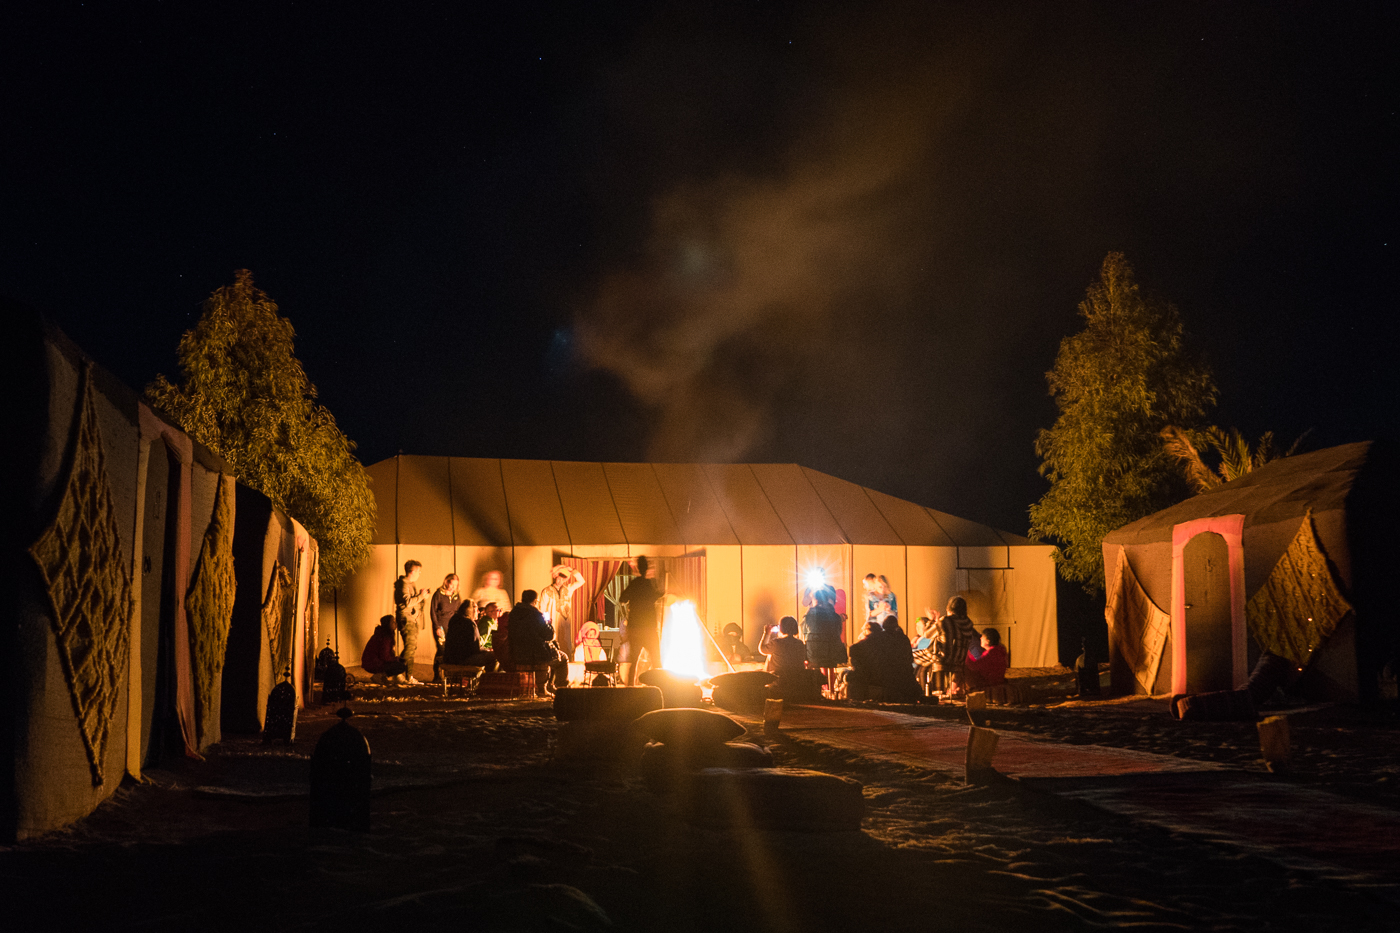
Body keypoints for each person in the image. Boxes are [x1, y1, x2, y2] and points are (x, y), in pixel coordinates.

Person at [508, 590, 569, 695]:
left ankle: (548, 686)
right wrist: (548, 623)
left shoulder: (513, 613)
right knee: (562, 658)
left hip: (516, 652)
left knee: (554, 651)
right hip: (535, 654)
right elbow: (549, 635)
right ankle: (559, 689)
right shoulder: (536, 615)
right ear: (535, 601)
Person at [620, 555, 662, 686]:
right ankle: (660, 686)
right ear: (647, 568)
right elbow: (656, 596)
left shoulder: (634, 584)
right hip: (649, 627)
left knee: (634, 660)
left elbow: (622, 599)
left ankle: (630, 687)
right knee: (656, 659)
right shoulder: (650, 584)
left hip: (636, 627)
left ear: (638, 568)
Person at [760, 616, 819, 701]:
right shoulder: (800, 643)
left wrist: (767, 633)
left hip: (778, 681)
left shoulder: (777, 642)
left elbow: (762, 649)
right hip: (796, 680)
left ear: (781, 628)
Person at [801, 585, 847, 691]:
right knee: (830, 665)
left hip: (814, 652)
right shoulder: (835, 616)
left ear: (815, 600)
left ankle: (816, 690)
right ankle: (831, 690)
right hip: (833, 652)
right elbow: (838, 631)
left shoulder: (809, 615)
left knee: (813, 662)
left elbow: (804, 632)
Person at [931, 596, 979, 696]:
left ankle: (931, 691)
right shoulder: (969, 623)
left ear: (949, 609)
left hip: (943, 658)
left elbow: (927, 635)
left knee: (920, 656)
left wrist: (934, 620)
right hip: (960, 660)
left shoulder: (945, 620)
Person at [393, 560, 431, 684]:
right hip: (407, 619)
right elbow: (407, 602)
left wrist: (421, 596)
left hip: (412, 619)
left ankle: (409, 676)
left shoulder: (409, 584)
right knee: (410, 648)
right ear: (413, 571)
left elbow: (412, 602)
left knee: (411, 648)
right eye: (419, 571)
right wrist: (420, 597)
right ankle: (395, 672)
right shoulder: (404, 584)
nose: (420, 574)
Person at [538, 564, 586, 654]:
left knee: (565, 643)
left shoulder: (568, 589)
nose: (560, 581)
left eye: (563, 579)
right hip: (552, 621)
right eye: (559, 578)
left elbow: (581, 581)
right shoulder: (547, 591)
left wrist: (572, 570)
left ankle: (565, 664)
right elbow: (542, 609)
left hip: (565, 621)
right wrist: (545, 622)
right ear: (555, 577)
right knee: (552, 642)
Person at [442, 600, 498, 672]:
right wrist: (487, 650)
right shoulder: (470, 624)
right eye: (477, 609)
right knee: (495, 656)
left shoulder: (454, 620)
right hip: (464, 659)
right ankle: (487, 681)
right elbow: (475, 648)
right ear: (471, 610)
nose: (478, 612)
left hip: (449, 659)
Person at [878, 615, 922, 702]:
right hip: (905, 671)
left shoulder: (881, 638)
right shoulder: (903, 638)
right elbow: (909, 656)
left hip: (887, 673)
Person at [431, 574, 462, 684]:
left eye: (455, 585)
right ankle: (437, 674)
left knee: (452, 650)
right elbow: (433, 612)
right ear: (446, 582)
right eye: (451, 584)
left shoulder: (457, 596)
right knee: (441, 649)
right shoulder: (438, 594)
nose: (452, 587)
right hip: (441, 626)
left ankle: (450, 676)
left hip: (452, 627)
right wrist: (437, 627)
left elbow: (459, 611)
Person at [844, 621, 885, 701]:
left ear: (866, 631)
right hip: (883, 678)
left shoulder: (856, 647)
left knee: (846, 674)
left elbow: (856, 667)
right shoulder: (886, 646)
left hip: (864, 679)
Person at [362, 615, 408, 684]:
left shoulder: (385, 634)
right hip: (373, 663)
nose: (395, 623)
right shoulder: (385, 637)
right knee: (401, 666)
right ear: (387, 624)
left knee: (399, 663)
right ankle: (379, 676)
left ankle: (383, 676)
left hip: (373, 662)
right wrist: (395, 659)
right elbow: (384, 656)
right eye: (393, 622)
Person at [963, 628, 1009, 692]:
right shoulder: (999, 650)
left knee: (961, 668)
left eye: (982, 637)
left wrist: (965, 654)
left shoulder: (992, 653)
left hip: (989, 682)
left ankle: (955, 690)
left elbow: (974, 666)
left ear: (987, 640)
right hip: (997, 680)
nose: (980, 638)